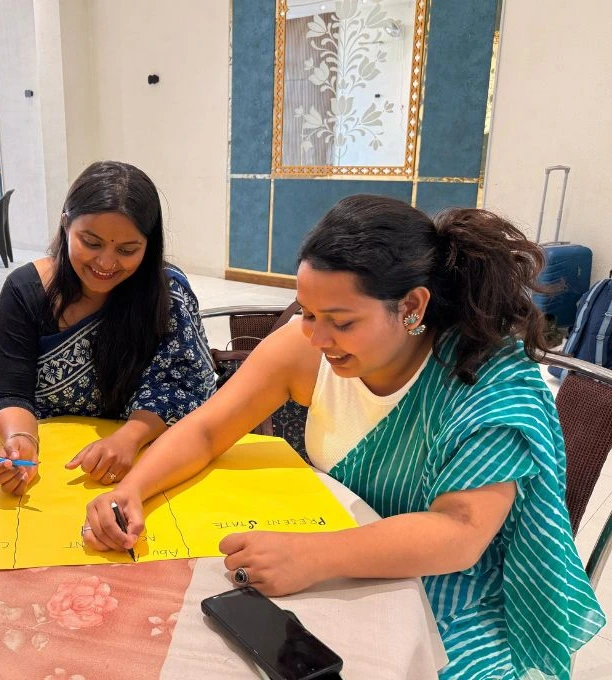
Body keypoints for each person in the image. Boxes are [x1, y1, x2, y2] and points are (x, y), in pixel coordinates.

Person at [83, 194, 604, 679]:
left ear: (412, 307)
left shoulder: (487, 384)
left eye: (340, 321)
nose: (316, 336)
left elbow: (460, 532)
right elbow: (206, 428)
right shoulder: (308, 348)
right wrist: (133, 490)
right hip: (338, 554)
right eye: (307, 313)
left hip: (452, 596)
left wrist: (314, 556)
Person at [0, 161, 217, 495]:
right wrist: (19, 441)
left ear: (149, 245)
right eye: (91, 243)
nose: (106, 264)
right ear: (66, 225)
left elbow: (182, 386)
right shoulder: (25, 292)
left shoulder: (167, 292)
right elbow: (12, 393)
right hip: (58, 466)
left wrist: (130, 436)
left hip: (150, 460)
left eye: (127, 250)